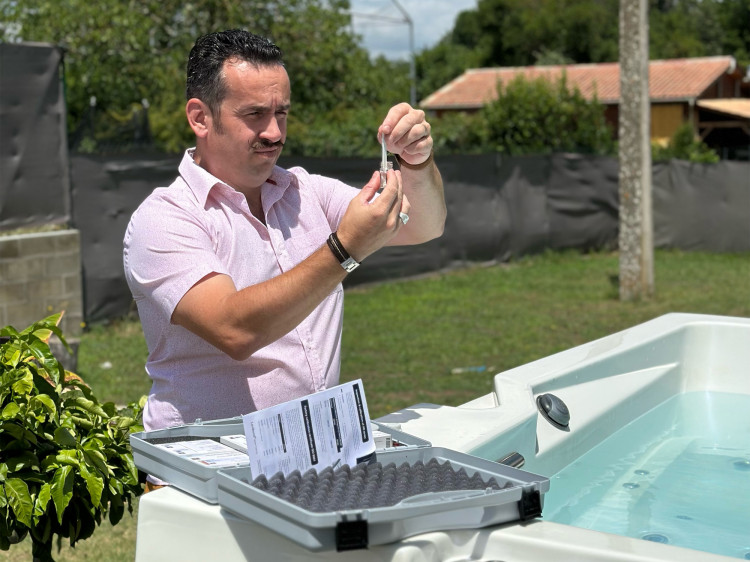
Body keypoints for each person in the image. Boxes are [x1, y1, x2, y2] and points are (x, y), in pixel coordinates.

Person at [123, 29, 445, 451]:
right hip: (206, 469)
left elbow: (423, 224)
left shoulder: (306, 191)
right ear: (200, 117)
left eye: (282, 113)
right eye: (254, 114)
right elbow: (234, 330)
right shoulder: (164, 219)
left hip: (317, 449)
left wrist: (417, 163)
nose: (275, 132)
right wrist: (344, 250)